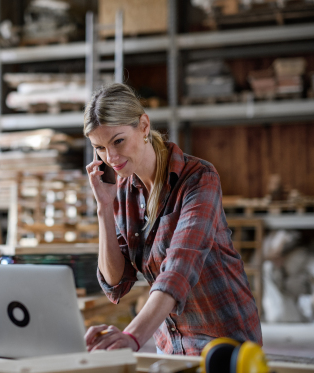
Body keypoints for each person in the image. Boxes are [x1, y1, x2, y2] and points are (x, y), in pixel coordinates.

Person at [83, 83, 261, 356]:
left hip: (225, 341)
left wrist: (132, 336)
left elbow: (178, 269)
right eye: (100, 148)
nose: (111, 158)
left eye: (118, 141)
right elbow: (116, 284)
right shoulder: (123, 191)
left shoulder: (199, 178)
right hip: (170, 345)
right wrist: (104, 208)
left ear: (143, 126)